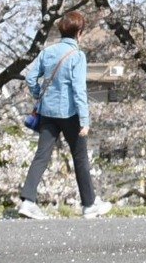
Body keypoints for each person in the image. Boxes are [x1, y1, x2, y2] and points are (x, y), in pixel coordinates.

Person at [17, 11, 109, 219]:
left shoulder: (47, 52)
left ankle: (28, 201)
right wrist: (84, 121)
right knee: (80, 158)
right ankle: (89, 205)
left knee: (41, 155)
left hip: (47, 113)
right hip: (70, 114)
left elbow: (30, 77)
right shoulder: (77, 56)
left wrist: (39, 94)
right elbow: (79, 90)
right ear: (79, 33)